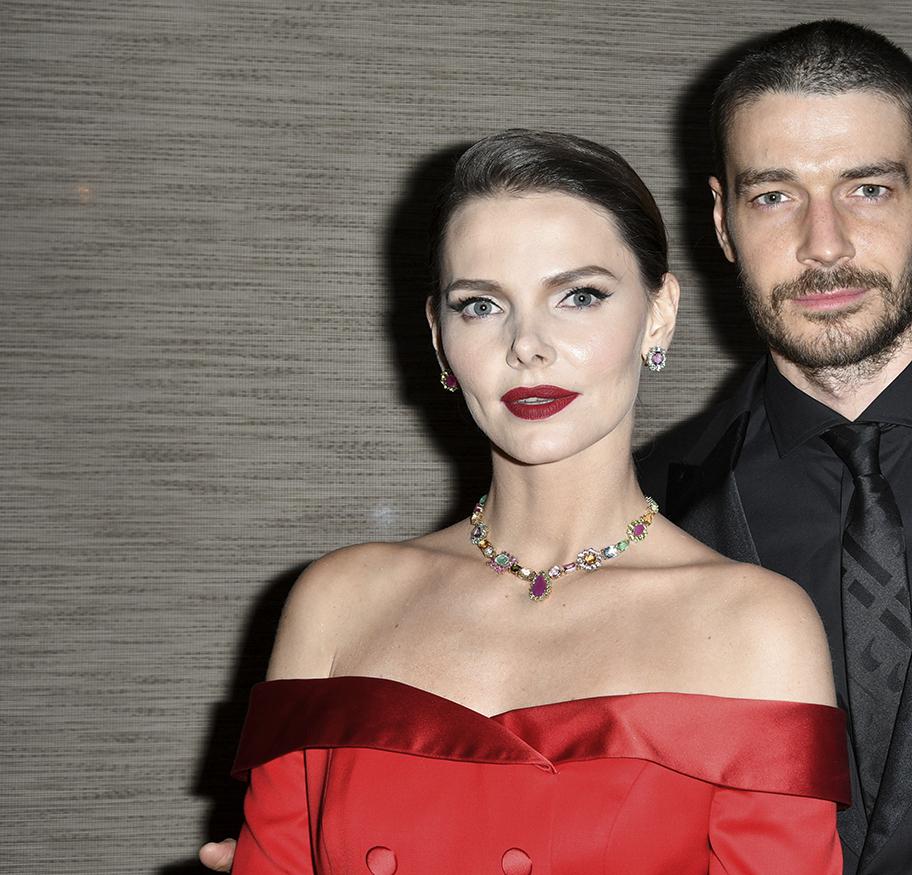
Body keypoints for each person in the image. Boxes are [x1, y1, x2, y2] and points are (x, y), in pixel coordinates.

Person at [203, 20, 912, 875]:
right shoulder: (656, 501)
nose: (824, 242)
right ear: (720, 221)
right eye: (774, 195)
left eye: (868, 188)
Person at [213, 130, 848, 874]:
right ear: (438, 336)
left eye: (579, 296)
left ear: (658, 313)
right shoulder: (336, 602)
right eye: (481, 305)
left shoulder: (756, 627)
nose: (527, 345)